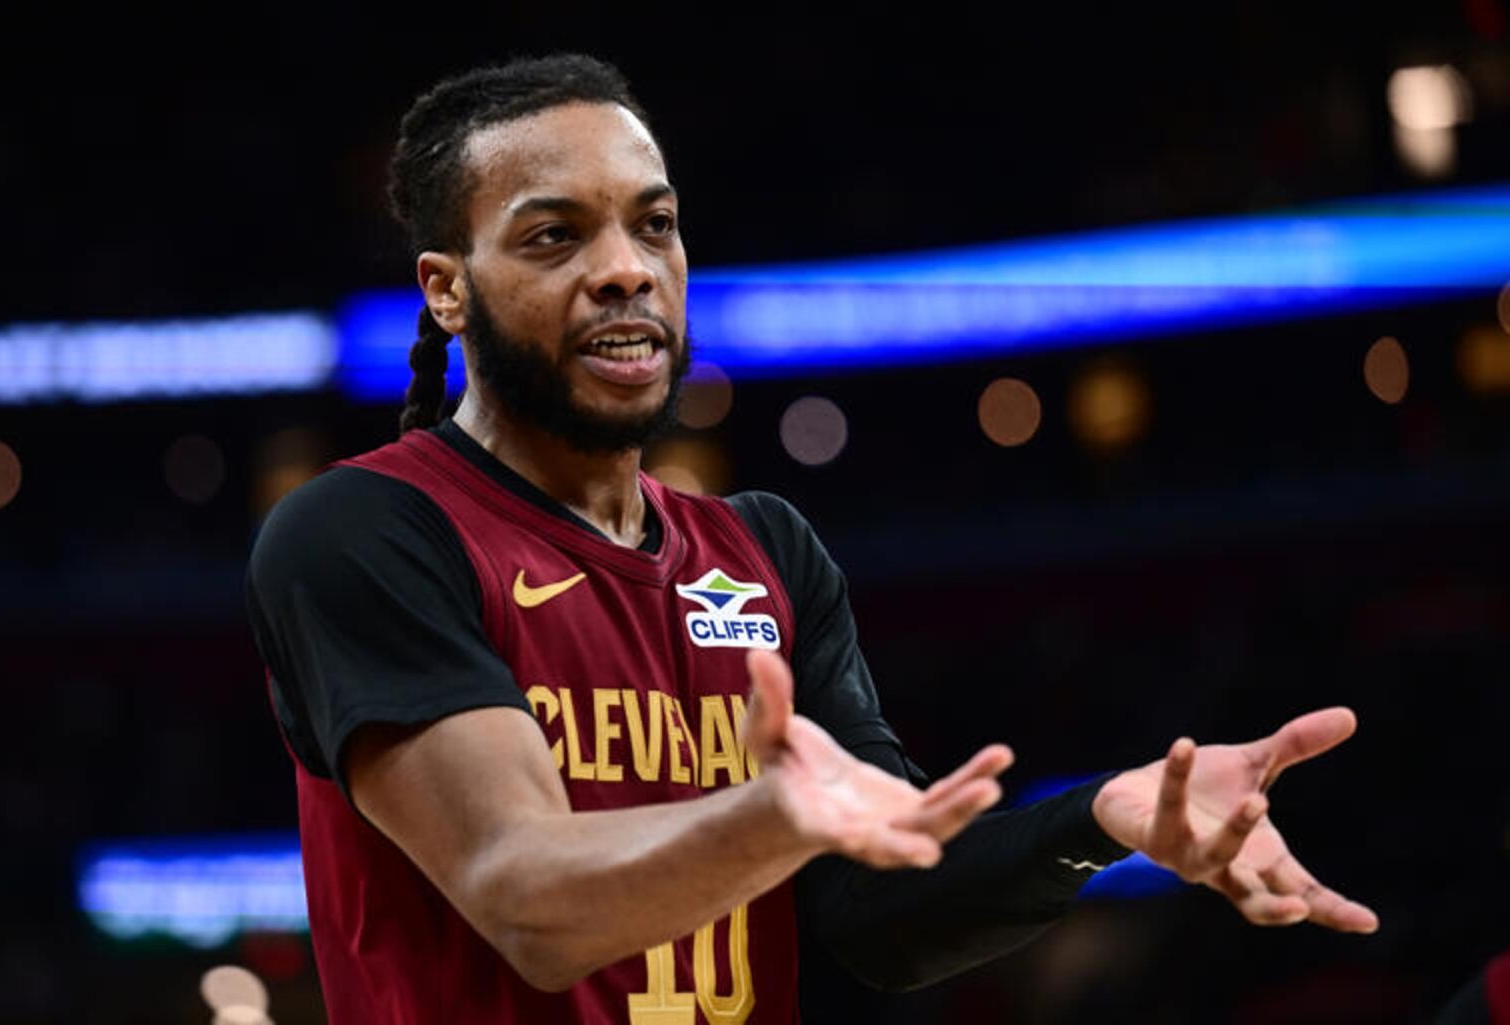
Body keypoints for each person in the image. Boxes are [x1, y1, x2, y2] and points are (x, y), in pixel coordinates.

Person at [245, 54, 1380, 1024]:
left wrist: (1098, 819)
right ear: (447, 291)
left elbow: (880, 918)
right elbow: (527, 898)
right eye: (554, 235)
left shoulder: (764, 549)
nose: (627, 267)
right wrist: (765, 814)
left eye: (654, 223)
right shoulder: (367, 530)